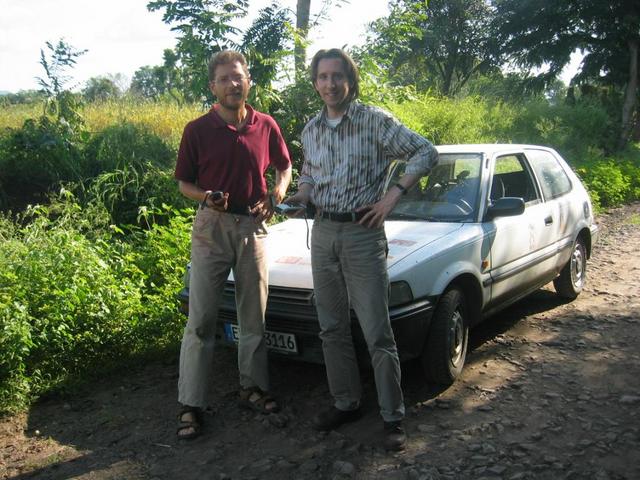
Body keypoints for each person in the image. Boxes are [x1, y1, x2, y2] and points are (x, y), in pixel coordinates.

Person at [285, 48, 438, 451]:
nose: (330, 84)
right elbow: (310, 175)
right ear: (315, 82)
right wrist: (299, 196)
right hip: (322, 233)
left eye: (337, 76)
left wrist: (392, 197)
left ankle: (393, 416)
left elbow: (426, 151)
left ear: (350, 80)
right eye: (322, 77)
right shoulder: (311, 129)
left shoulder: (375, 121)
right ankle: (346, 402)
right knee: (331, 326)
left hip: (362, 234)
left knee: (376, 330)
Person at [174, 50, 292, 440]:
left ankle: (253, 388)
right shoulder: (197, 129)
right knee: (202, 318)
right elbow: (184, 184)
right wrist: (206, 197)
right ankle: (191, 404)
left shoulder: (266, 125)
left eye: (238, 77)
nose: (232, 84)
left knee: (253, 315)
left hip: (253, 226)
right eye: (224, 79)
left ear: (248, 81)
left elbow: (284, 166)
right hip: (212, 226)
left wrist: (276, 192)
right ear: (213, 86)